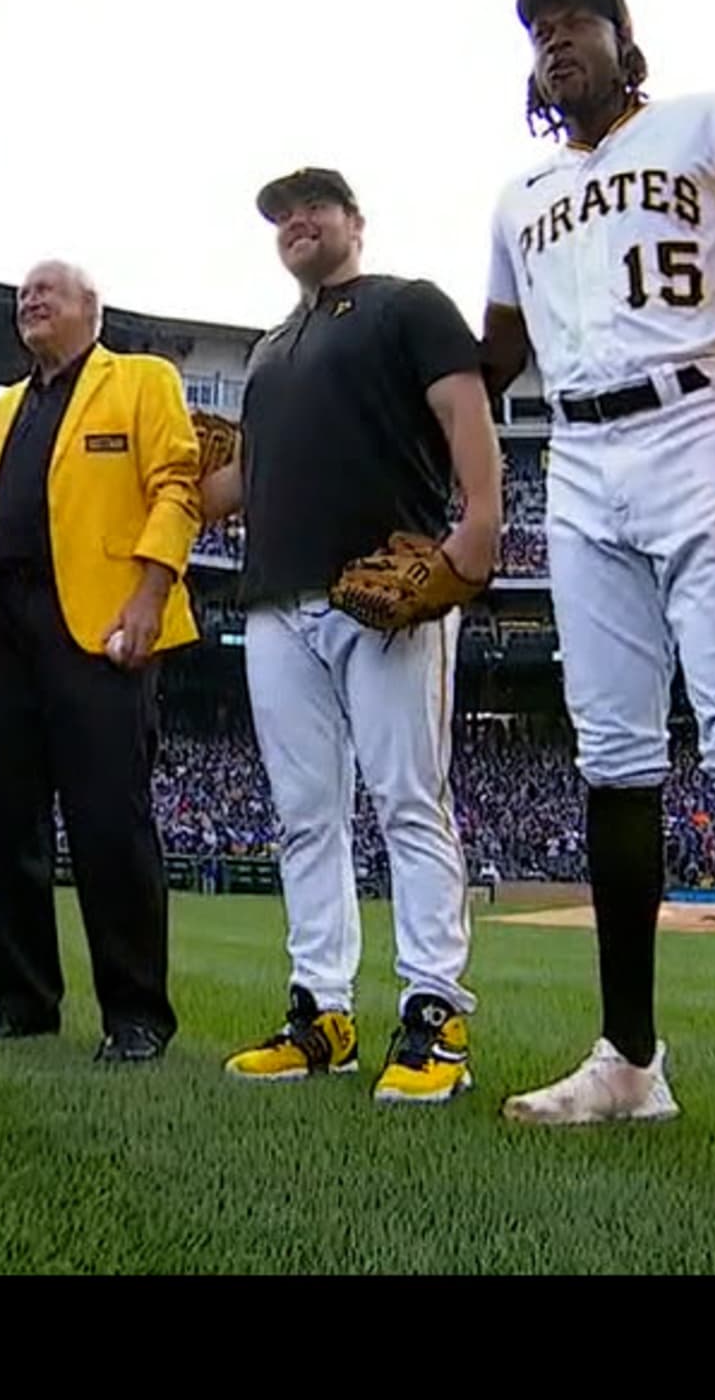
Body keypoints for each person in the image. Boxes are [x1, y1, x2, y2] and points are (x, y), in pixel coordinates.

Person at [477, 0, 715, 1168]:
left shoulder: (706, 122)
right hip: (578, 457)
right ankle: (630, 1059)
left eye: (575, 27)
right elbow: (489, 358)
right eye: (540, 36)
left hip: (701, 421)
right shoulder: (519, 193)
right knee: (614, 759)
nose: (555, 48)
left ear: (623, 43)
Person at [207, 167, 502, 1105]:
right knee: (306, 814)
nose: (297, 221)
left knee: (409, 801)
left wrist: (481, 524)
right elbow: (235, 483)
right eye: (283, 214)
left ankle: (434, 1012)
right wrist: (156, 467)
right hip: (274, 600)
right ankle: (322, 1013)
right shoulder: (267, 351)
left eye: (314, 206)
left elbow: (463, 407)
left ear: (353, 224)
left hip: (384, 588)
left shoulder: (405, 305)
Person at [0, 261, 201, 1063]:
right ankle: (20, 1000)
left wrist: (151, 596)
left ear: (93, 308)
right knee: (1, 820)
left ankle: (136, 1014)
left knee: (108, 824)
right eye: (24, 296)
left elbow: (177, 486)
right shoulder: (3, 409)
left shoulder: (142, 381)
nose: (31, 301)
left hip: (102, 624)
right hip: (1, 628)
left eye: (49, 291)